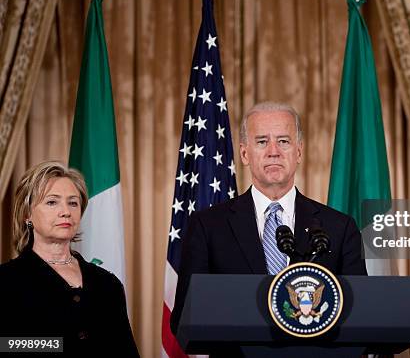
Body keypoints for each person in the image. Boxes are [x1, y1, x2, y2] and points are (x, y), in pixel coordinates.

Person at [171, 102, 367, 335]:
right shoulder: (208, 226)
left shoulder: (339, 228)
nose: (273, 151)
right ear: (244, 153)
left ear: (299, 152)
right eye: (262, 141)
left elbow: (359, 313)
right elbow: (185, 315)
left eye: (283, 141)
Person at [0, 161, 139, 357]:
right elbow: (6, 345)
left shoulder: (108, 283)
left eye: (73, 202)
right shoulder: (6, 281)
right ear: (27, 214)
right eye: (52, 202)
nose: (66, 211)